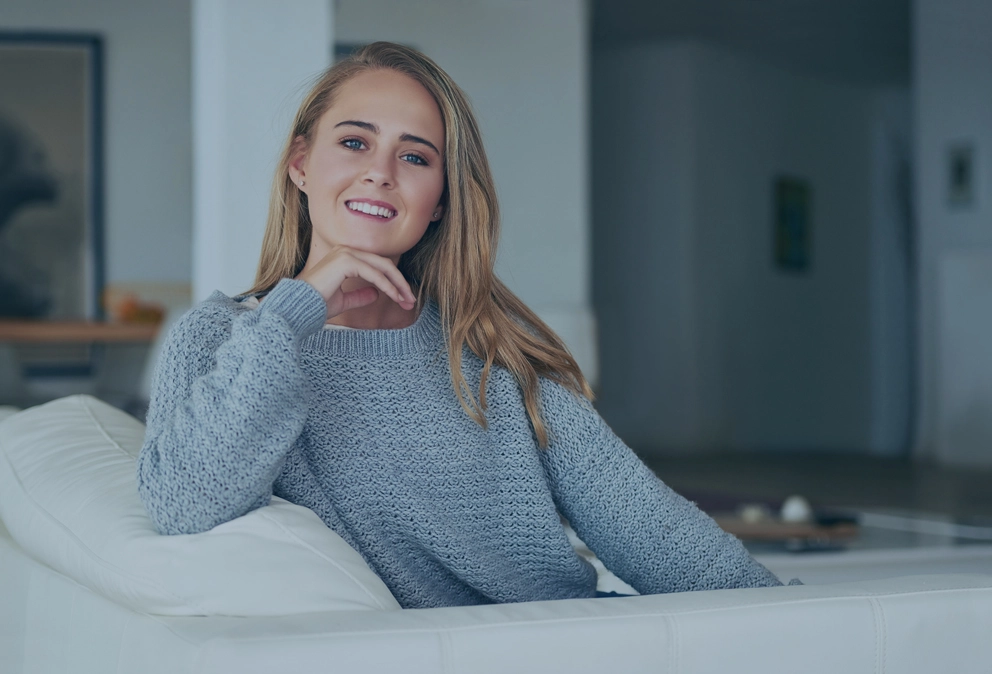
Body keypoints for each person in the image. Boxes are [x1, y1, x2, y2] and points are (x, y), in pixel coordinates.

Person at [137, 42, 784, 609]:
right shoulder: (222, 339)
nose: (380, 173)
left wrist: (814, 630)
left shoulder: (494, 353)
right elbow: (183, 502)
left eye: (415, 157)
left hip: (568, 642)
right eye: (355, 142)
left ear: (440, 198)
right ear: (301, 164)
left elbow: (653, 531)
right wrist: (294, 309)